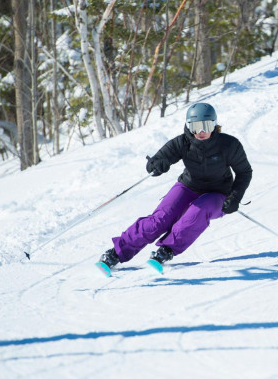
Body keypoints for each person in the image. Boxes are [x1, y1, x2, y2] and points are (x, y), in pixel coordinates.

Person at [98, 102, 252, 271]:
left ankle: (166, 250)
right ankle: (116, 252)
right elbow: (159, 158)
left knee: (196, 213)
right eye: (195, 126)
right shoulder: (183, 142)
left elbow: (244, 172)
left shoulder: (229, 145)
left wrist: (235, 197)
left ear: (214, 125)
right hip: (189, 187)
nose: (200, 132)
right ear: (188, 126)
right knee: (160, 220)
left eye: (206, 126)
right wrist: (157, 164)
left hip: (218, 194)